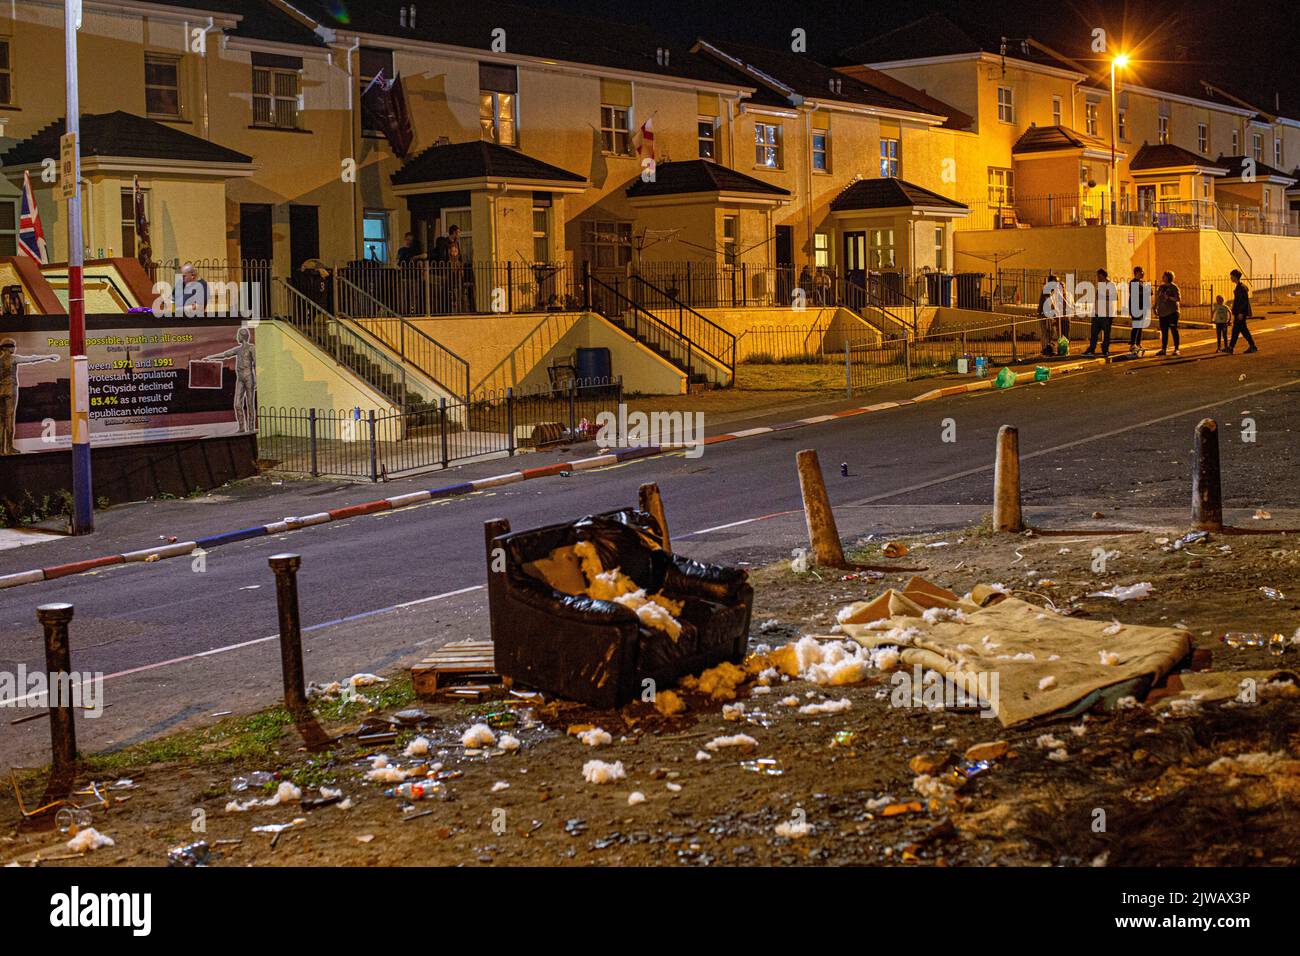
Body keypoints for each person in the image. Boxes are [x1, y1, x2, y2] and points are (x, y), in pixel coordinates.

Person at [0, 338, 60, 455]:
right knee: (9, 418)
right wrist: (48, 357)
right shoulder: (13, 359)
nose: (14, 348)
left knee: (1, 421)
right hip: (10, 390)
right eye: (12, 346)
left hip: (0, 390)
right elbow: (32, 359)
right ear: (7, 348)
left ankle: (1, 450)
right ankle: (9, 448)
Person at [201, 326, 256, 434]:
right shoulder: (238, 350)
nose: (237, 337)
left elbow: (256, 363)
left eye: (238, 335)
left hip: (249, 376)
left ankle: (251, 427)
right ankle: (241, 427)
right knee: (237, 404)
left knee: (250, 404)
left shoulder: (251, 348)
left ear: (242, 336)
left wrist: (256, 379)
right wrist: (210, 358)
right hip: (240, 378)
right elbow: (225, 355)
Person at [1084, 267, 1114, 356]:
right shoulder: (1099, 286)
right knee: (1094, 333)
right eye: (1098, 277)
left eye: (1099, 277)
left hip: (1106, 314)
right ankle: (1091, 349)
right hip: (1097, 313)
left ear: (1103, 276)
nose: (1098, 278)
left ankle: (1105, 349)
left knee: (1106, 333)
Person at [1226, 269, 1258, 354]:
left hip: (1240, 313)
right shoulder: (1239, 287)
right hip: (1239, 312)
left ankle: (1231, 348)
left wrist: (1240, 313)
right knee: (1241, 330)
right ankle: (1251, 346)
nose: (1231, 277)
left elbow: (1244, 301)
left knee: (1237, 330)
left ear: (1235, 277)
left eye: (1232, 276)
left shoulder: (1241, 288)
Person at [1154, 270, 1181, 355]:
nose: (1162, 277)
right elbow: (1158, 298)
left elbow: (1178, 299)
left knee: (1174, 330)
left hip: (1172, 312)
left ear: (1169, 277)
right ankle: (1163, 349)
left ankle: (1176, 349)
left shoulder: (1174, 287)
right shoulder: (1161, 287)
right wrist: (1155, 307)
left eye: (1164, 276)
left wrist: (1168, 297)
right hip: (1162, 312)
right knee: (1164, 331)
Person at [1126, 265, 1151, 354]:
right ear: (1137, 272)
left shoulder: (1142, 282)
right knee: (1136, 326)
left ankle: (1138, 344)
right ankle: (1133, 344)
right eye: (1141, 271)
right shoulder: (1133, 282)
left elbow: (1150, 292)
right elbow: (1137, 293)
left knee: (1140, 326)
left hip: (1142, 307)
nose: (1143, 273)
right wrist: (1145, 291)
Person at [1038, 273, 1063, 356]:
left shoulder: (1052, 290)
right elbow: (1047, 303)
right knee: (1046, 332)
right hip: (1044, 315)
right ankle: (1045, 349)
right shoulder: (1047, 289)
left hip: (1048, 314)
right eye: (1056, 282)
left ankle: (1048, 348)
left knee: (1051, 332)